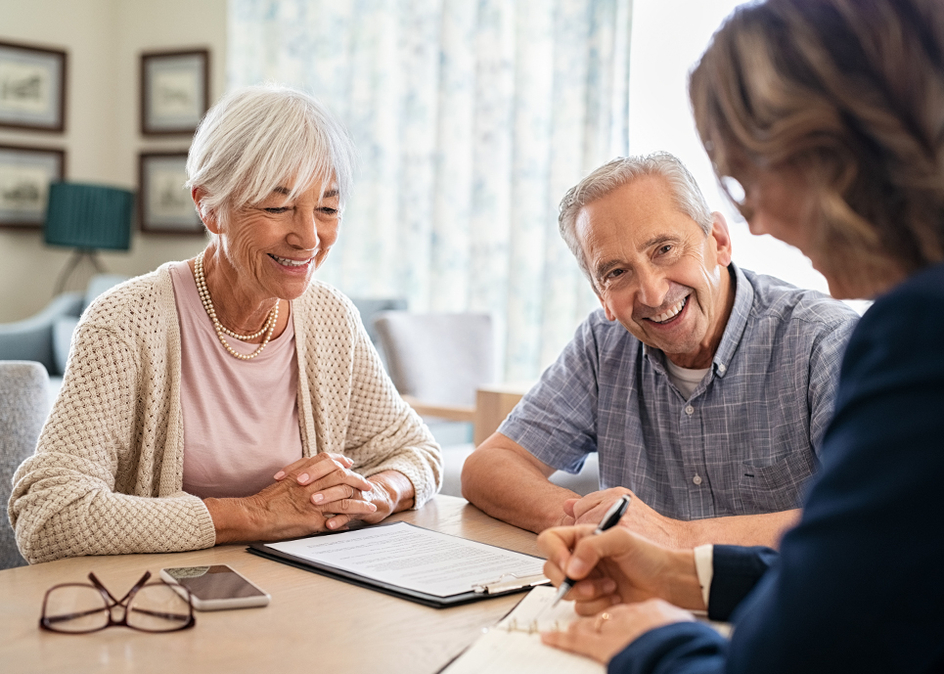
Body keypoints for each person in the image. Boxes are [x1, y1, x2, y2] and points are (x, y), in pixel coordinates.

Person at [538, 0, 944, 670]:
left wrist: (652, 643)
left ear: (825, 151)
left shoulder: (914, 336)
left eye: (744, 173)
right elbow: (863, 575)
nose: (752, 217)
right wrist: (680, 574)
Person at [9, 85, 442, 564]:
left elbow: (416, 452)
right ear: (209, 207)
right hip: (164, 602)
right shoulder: (124, 324)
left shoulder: (330, 317)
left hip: (308, 595)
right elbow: (48, 518)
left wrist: (374, 494)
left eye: (327, 208)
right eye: (278, 207)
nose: (308, 237)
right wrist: (257, 514)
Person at [462, 152, 859, 548]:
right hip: (639, 606)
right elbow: (487, 467)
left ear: (718, 242)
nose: (652, 293)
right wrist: (598, 525)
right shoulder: (603, 344)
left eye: (664, 249)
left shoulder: (824, 341)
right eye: (617, 273)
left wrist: (673, 537)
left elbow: (872, 514)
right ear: (602, 295)